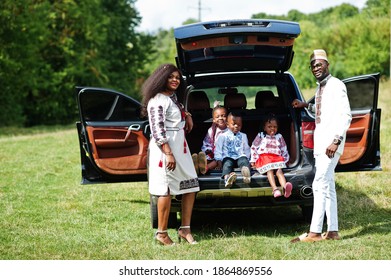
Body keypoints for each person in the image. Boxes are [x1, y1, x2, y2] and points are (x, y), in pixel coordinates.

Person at [291, 49, 352, 242]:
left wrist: (336, 141)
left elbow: (345, 115)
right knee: (329, 186)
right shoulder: (320, 88)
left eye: (319, 64)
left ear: (327, 64)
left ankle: (315, 232)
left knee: (318, 184)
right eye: (313, 66)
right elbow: (322, 110)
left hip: (330, 144)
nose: (316, 68)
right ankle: (333, 231)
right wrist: (304, 106)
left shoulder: (336, 85)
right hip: (320, 144)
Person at [140, 63, 200, 245]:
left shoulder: (172, 97)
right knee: (164, 190)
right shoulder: (157, 100)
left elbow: (177, 110)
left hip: (180, 147)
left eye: (177, 77)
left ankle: (185, 229)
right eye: (170, 77)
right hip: (165, 150)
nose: (175, 80)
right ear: (161, 79)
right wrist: (168, 153)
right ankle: (162, 233)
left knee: (191, 186)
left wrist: (187, 114)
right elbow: (157, 130)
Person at [250, 114, 292, 198]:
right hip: (264, 158)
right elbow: (254, 147)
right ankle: (275, 189)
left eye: (275, 126)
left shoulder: (279, 136)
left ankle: (285, 188)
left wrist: (286, 160)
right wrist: (253, 160)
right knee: (270, 170)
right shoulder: (261, 136)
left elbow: (284, 148)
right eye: (269, 126)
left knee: (279, 171)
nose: (272, 128)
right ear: (264, 128)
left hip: (276, 158)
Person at [214, 112, 251, 187]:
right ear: (227, 124)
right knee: (227, 164)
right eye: (234, 124)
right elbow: (218, 149)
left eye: (239, 125)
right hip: (228, 157)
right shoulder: (222, 136)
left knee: (244, 161)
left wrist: (248, 159)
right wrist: (218, 160)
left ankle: (246, 175)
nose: (236, 126)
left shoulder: (243, 136)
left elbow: (246, 149)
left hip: (240, 156)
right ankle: (227, 178)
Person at [192, 102, 228, 175]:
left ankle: (205, 168)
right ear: (213, 120)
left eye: (223, 116)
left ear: (228, 118)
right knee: (207, 157)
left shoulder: (231, 129)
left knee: (215, 161)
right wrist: (208, 152)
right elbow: (207, 143)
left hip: (226, 154)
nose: (220, 118)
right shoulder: (212, 130)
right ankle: (197, 165)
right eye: (217, 117)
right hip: (214, 153)